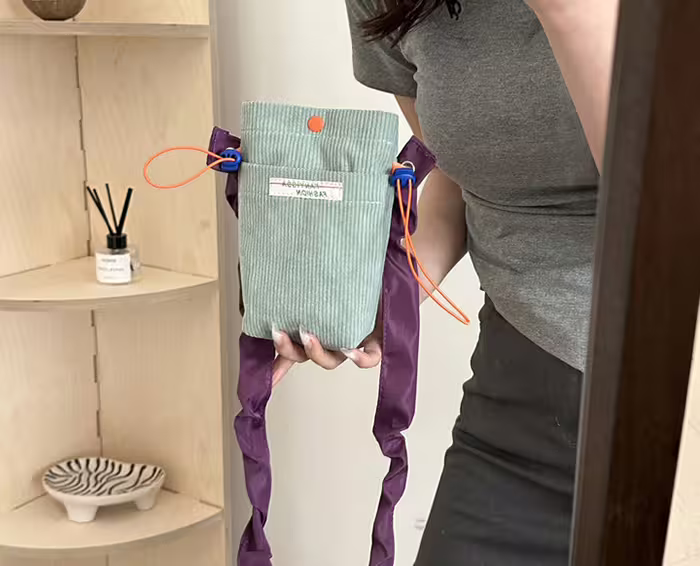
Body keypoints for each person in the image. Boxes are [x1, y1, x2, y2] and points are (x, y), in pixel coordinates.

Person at [271, 0, 619, 563]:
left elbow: (666, 217)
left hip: (674, 402)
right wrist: (386, 297)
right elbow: (461, 182)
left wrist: (568, 15)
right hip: (519, 398)